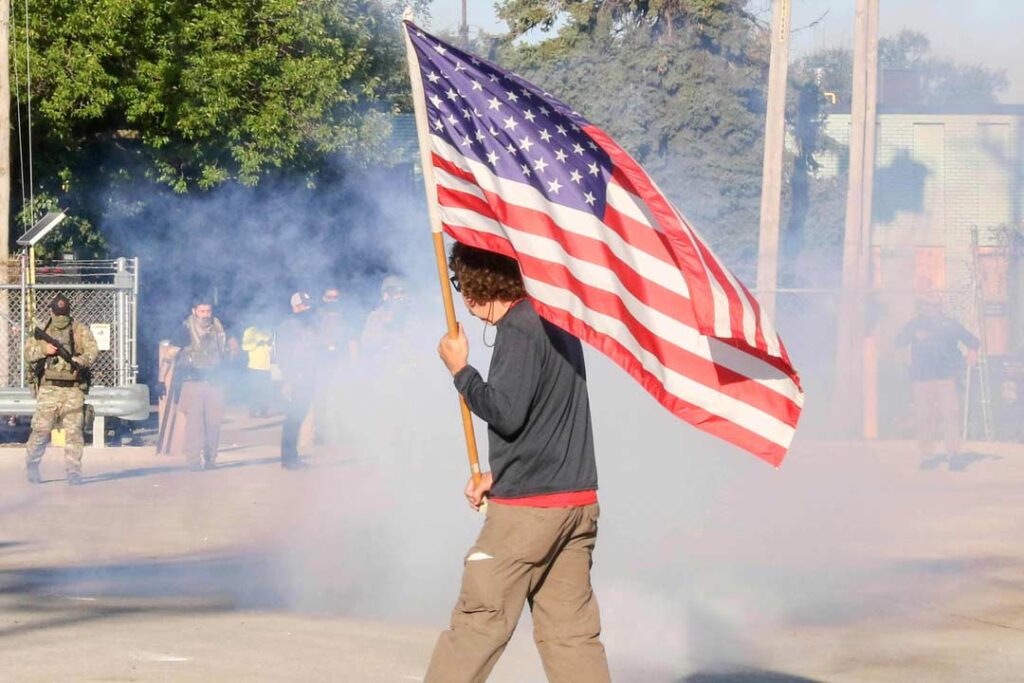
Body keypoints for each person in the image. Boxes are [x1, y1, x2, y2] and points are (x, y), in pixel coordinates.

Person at [427, 243, 610, 683]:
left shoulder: (519, 327)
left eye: (459, 284)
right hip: (576, 503)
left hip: (529, 514)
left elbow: (506, 412)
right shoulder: (556, 321)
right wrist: (499, 475)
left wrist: (461, 371)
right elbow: (545, 417)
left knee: (478, 622)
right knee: (571, 637)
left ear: (475, 286)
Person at [24, 294, 99, 486]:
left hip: (73, 389)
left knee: (74, 432)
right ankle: (32, 464)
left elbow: (92, 351)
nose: (59, 318)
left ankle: (73, 472)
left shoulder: (79, 330)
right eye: (57, 314)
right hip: (49, 389)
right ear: (51, 312)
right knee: (41, 431)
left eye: (63, 315)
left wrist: (80, 360)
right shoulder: (42, 331)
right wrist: (43, 350)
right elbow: (26, 353)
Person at [896, 292, 980, 459]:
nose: (933, 309)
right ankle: (927, 453)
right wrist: (913, 335)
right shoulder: (915, 324)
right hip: (922, 379)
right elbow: (899, 342)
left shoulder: (949, 324)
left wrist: (972, 352)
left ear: (940, 307)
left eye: (936, 305)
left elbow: (972, 340)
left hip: (946, 378)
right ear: (923, 307)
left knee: (950, 414)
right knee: (924, 417)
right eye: (929, 305)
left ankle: (953, 452)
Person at [167, 295, 236, 471]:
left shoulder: (220, 327)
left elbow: (234, 347)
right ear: (194, 311)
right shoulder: (184, 329)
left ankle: (211, 459)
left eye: (208, 311)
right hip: (193, 382)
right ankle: (193, 461)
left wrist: (231, 354)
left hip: (215, 382)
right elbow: (170, 355)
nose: (206, 314)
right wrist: (163, 378)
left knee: (213, 423)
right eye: (202, 311)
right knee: (194, 425)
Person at [275, 291, 318, 470]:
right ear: (296, 307)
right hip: (294, 378)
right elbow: (283, 354)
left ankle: (293, 456)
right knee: (292, 418)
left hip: (308, 376)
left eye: (308, 305)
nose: (308, 308)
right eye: (304, 305)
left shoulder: (309, 325)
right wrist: (289, 380)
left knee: (299, 416)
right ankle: (288, 458)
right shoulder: (288, 326)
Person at [241, 319, 274, 417]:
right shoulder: (250, 331)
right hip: (254, 366)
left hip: (266, 366)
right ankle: (253, 411)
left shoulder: (267, 331)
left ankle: (264, 411)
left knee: (265, 390)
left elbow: (271, 347)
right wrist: (257, 343)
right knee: (254, 390)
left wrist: (268, 346)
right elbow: (245, 347)